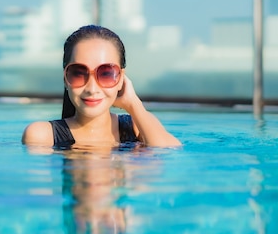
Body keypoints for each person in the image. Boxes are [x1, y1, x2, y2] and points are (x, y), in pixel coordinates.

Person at [22, 25, 181, 149]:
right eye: (78, 73)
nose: (92, 88)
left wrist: (133, 104)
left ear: (120, 78)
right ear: (65, 77)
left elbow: (169, 153)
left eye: (106, 73)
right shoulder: (43, 136)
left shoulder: (137, 125)